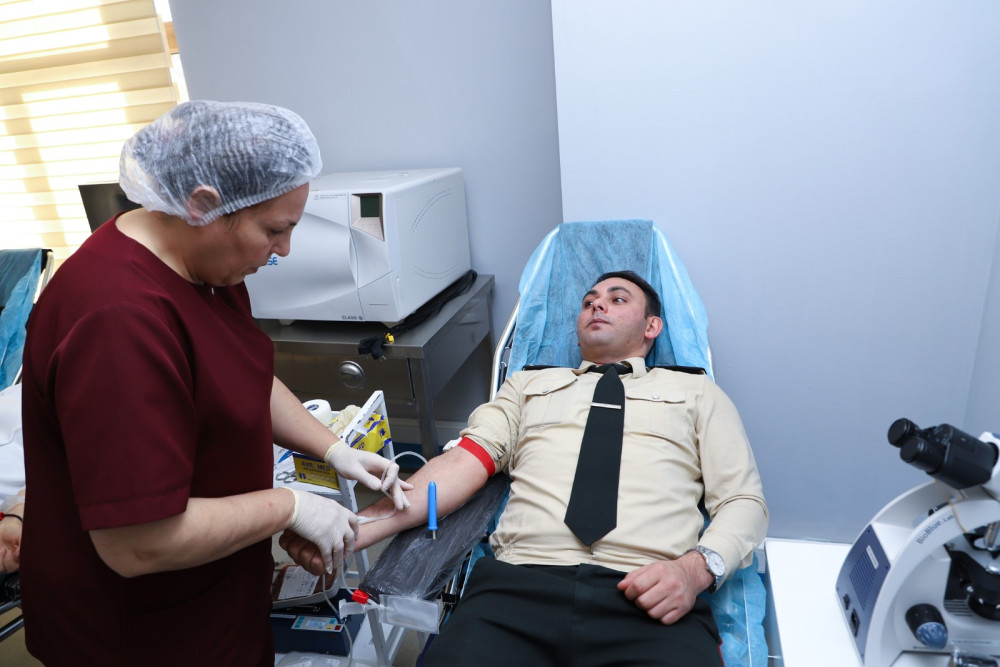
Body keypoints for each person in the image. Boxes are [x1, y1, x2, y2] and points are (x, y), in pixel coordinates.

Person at [19, 100, 410, 665]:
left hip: (216, 590)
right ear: (203, 204)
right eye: (274, 230)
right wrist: (288, 507)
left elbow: (239, 374)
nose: (284, 250)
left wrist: (333, 449)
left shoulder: (199, 264)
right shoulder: (117, 321)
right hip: (139, 629)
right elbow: (137, 542)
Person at [283, 269, 769, 666]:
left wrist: (694, 570)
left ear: (652, 327)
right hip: (517, 590)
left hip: (651, 595)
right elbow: (462, 465)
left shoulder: (697, 393)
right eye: (589, 301)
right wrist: (354, 529)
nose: (597, 305)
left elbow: (744, 503)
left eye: (617, 299)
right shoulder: (528, 386)